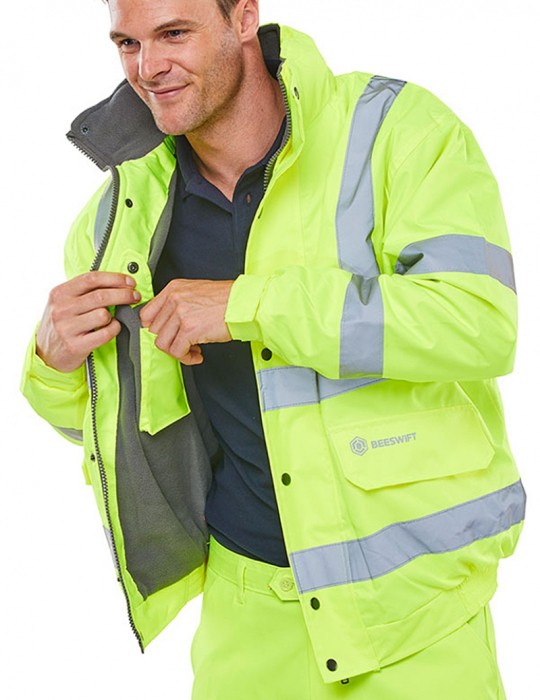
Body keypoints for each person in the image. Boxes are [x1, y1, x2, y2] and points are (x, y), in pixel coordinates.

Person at [21, 0, 525, 697]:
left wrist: (246, 305)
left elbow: (479, 322)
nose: (148, 66)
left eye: (173, 33)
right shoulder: (117, 218)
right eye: (127, 43)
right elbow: (113, 430)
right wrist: (52, 365)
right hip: (245, 615)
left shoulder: (393, 131)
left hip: (414, 615)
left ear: (243, 18)